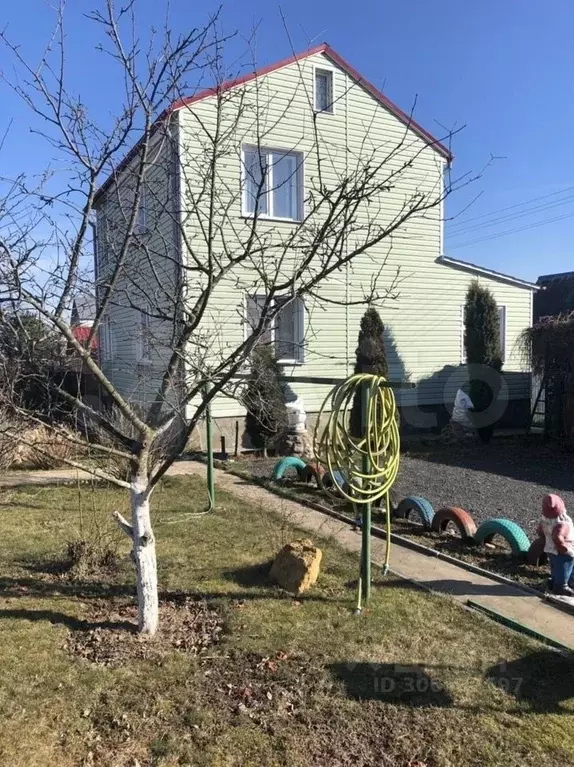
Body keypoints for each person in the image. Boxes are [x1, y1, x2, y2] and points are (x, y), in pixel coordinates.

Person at [537, 494, 574, 596]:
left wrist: (545, 537)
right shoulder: (562, 523)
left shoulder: (544, 521)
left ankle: (555, 580)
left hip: (550, 548)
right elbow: (557, 537)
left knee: (555, 566)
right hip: (563, 550)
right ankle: (561, 586)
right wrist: (564, 547)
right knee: (565, 566)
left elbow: (539, 531)